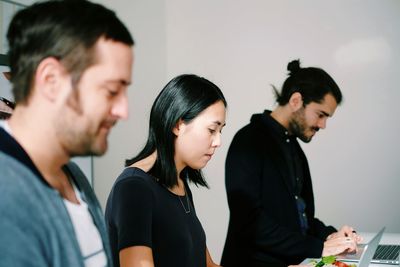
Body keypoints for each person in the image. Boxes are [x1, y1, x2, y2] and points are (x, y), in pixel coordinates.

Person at [0, 1, 134, 266]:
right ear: (50, 80)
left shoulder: (73, 177)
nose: (123, 110)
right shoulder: (7, 197)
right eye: (110, 91)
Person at [221, 59, 361, 267]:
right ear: (296, 100)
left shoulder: (293, 147)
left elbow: (299, 218)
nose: (322, 125)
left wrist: (332, 236)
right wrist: (319, 248)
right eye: (320, 115)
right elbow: (250, 224)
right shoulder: (248, 141)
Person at [105, 74, 227, 267]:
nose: (218, 141)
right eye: (212, 130)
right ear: (178, 125)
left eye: (221, 131)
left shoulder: (179, 184)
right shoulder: (134, 188)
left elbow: (208, 265)